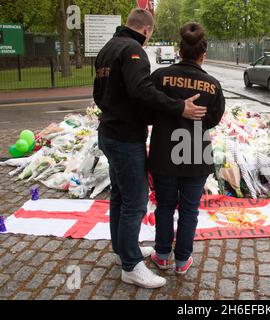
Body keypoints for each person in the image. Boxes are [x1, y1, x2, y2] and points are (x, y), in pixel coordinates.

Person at [94, 8, 207, 289]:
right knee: (135, 200)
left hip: (109, 131)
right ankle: (131, 266)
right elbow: (141, 91)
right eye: (150, 34)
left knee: (120, 196)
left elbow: (99, 93)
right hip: (124, 137)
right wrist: (179, 106)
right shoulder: (133, 50)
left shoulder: (108, 48)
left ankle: (123, 251)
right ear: (147, 30)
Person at [148, 22, 225, 274]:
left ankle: (161, 255)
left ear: (179, 51)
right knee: (189, 210)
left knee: (165, 206)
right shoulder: (212, 84)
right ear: (203, 54)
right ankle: (182, 260)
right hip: (196, 151)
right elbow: (214, 119)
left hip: (164, 151)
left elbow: (147, 109)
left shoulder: (160, 77)